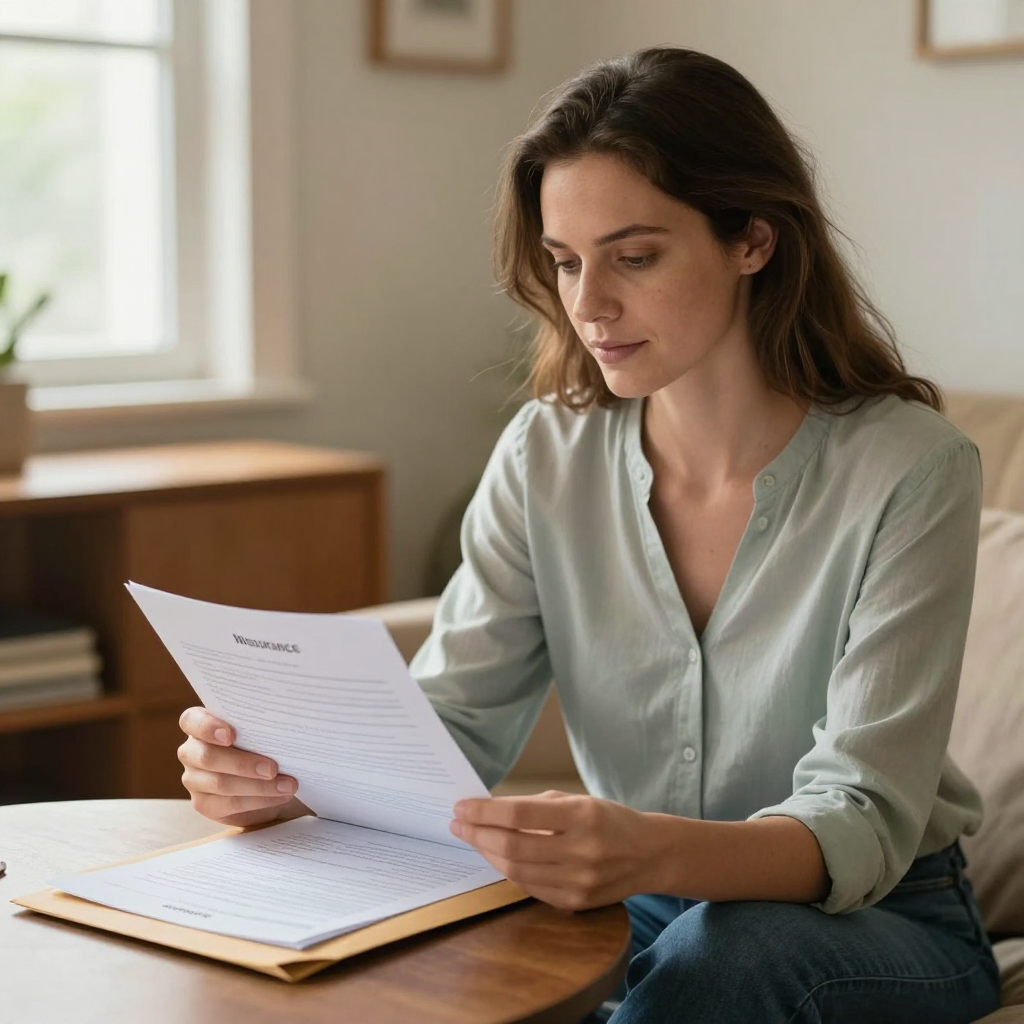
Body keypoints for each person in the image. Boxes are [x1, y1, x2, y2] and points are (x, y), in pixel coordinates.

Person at [176, 48, 1001, 1023]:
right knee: (392, 949)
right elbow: (460, 722)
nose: (587, 303)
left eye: (634, 256)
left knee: (724, 953)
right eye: (565, 261)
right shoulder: (545, 453)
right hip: (639, 901)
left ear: (753, 240)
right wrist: (286, 778)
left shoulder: (911, 467)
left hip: (880, 917)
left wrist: (647, 848)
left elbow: (859, 814)